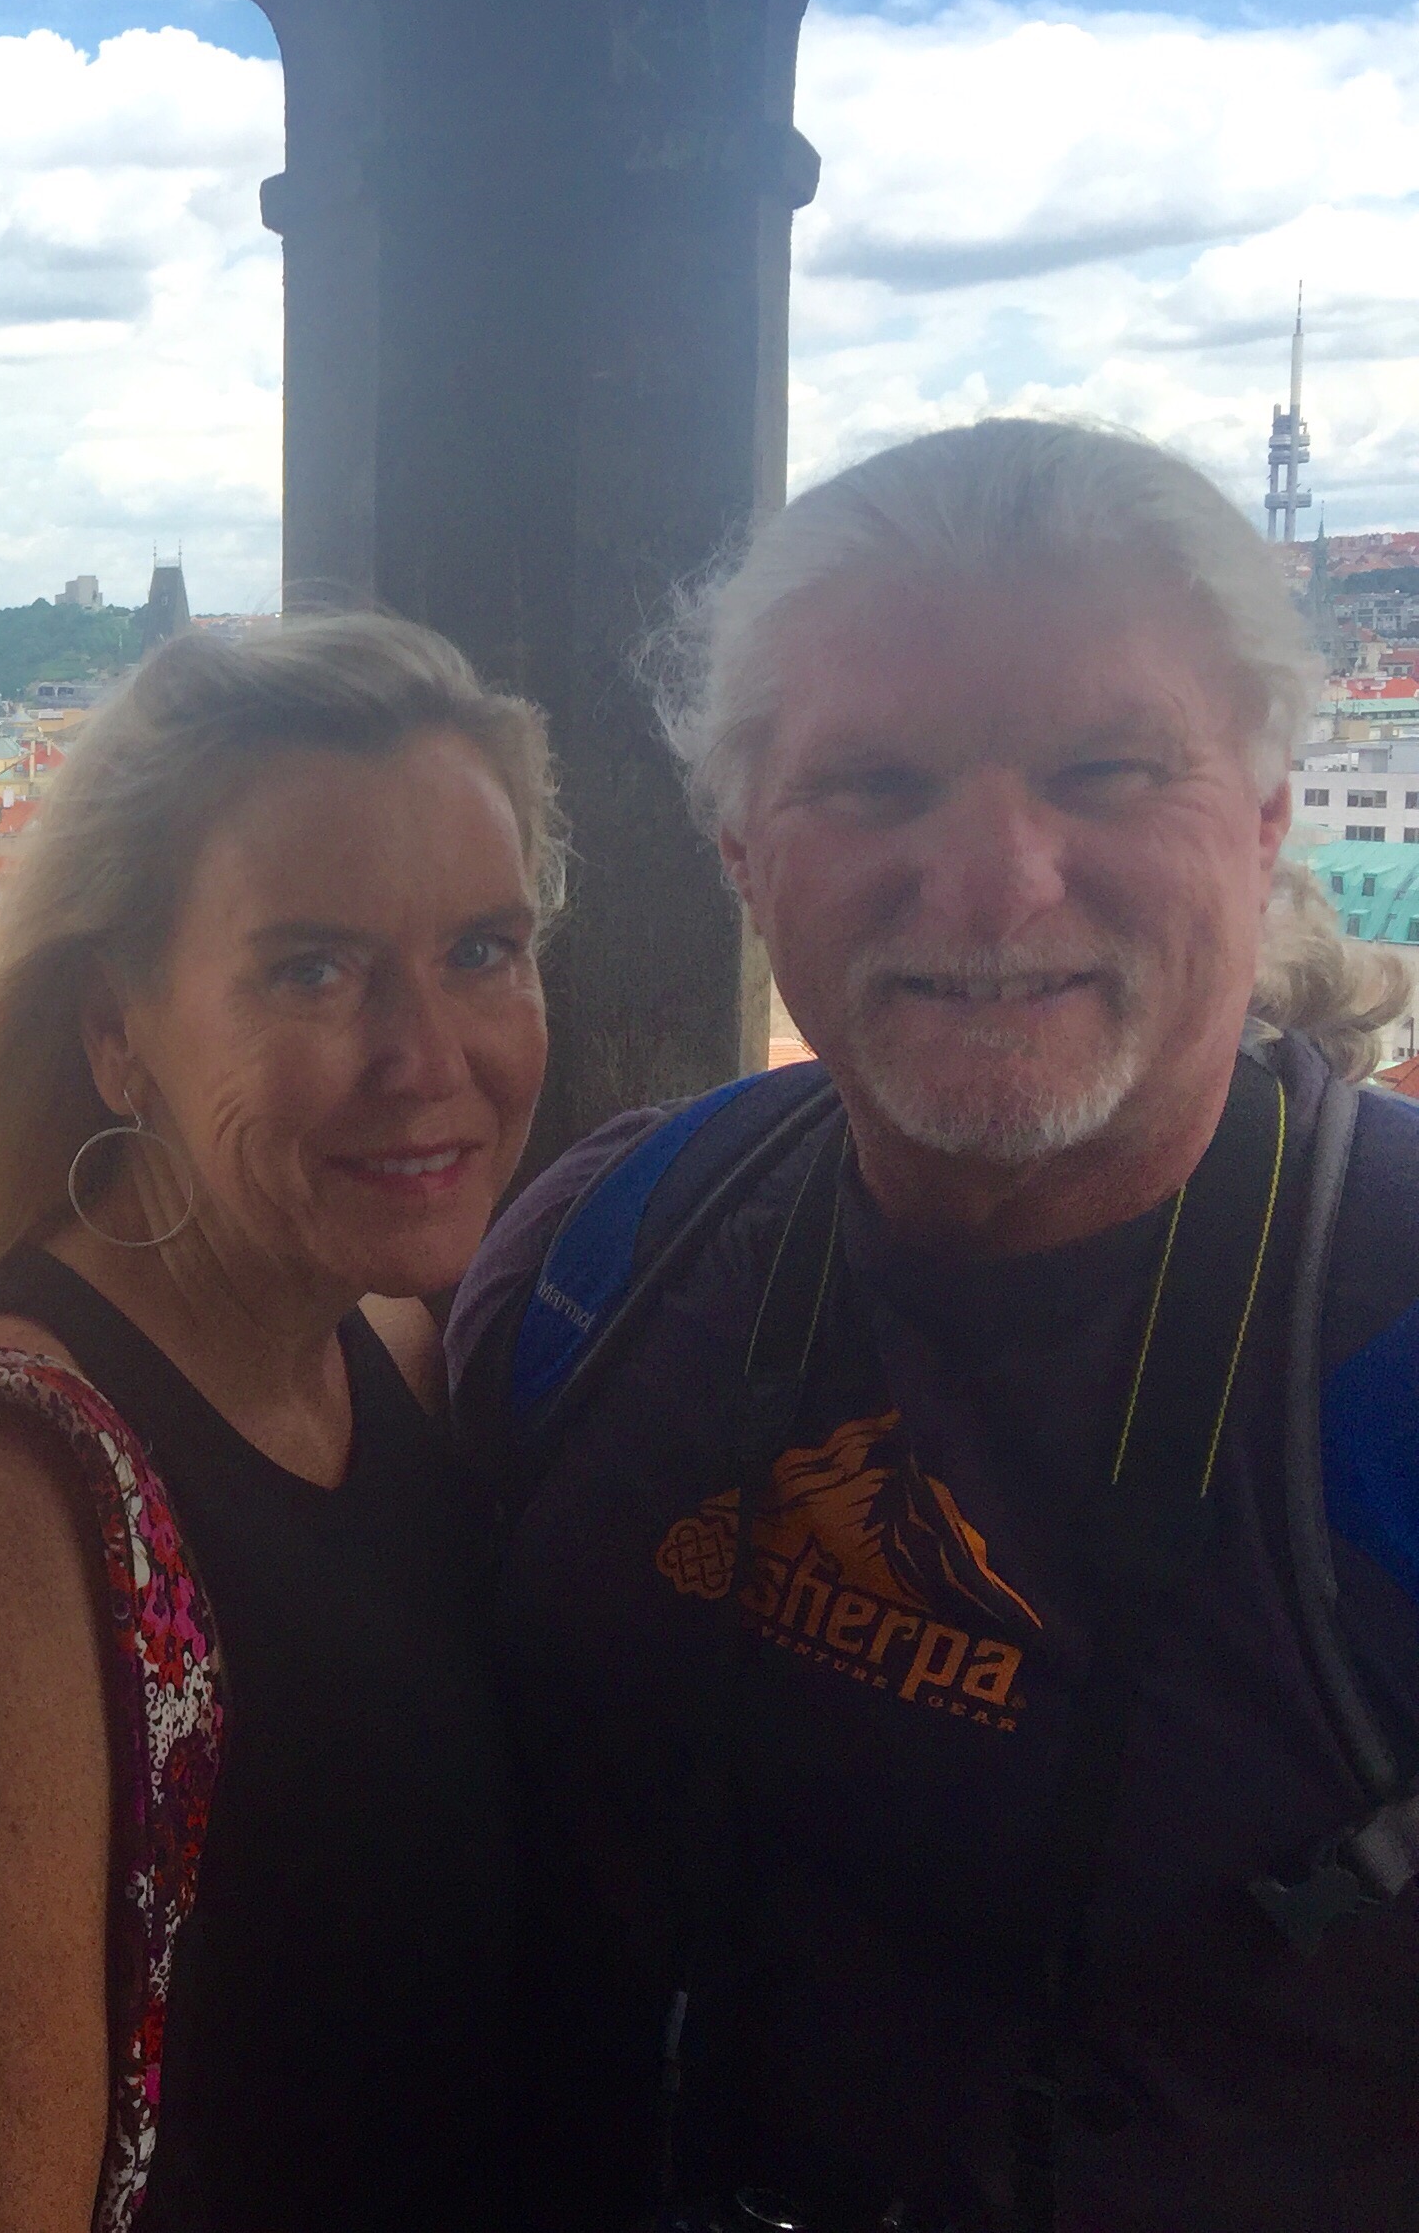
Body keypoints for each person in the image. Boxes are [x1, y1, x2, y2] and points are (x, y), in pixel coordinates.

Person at [449, 417, 1419, 2231]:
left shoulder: (1385, 1353)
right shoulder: (605, 1249)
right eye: (875, 783)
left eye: (1107, 771)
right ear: (743, 852)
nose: (991, 881)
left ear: (1266, 819)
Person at [0, 612, 558, 2230]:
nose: (428, 1056)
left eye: (484, 952)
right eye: (312, 970)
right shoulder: (8, 1501)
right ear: (116, 1031)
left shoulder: (384, 1343)